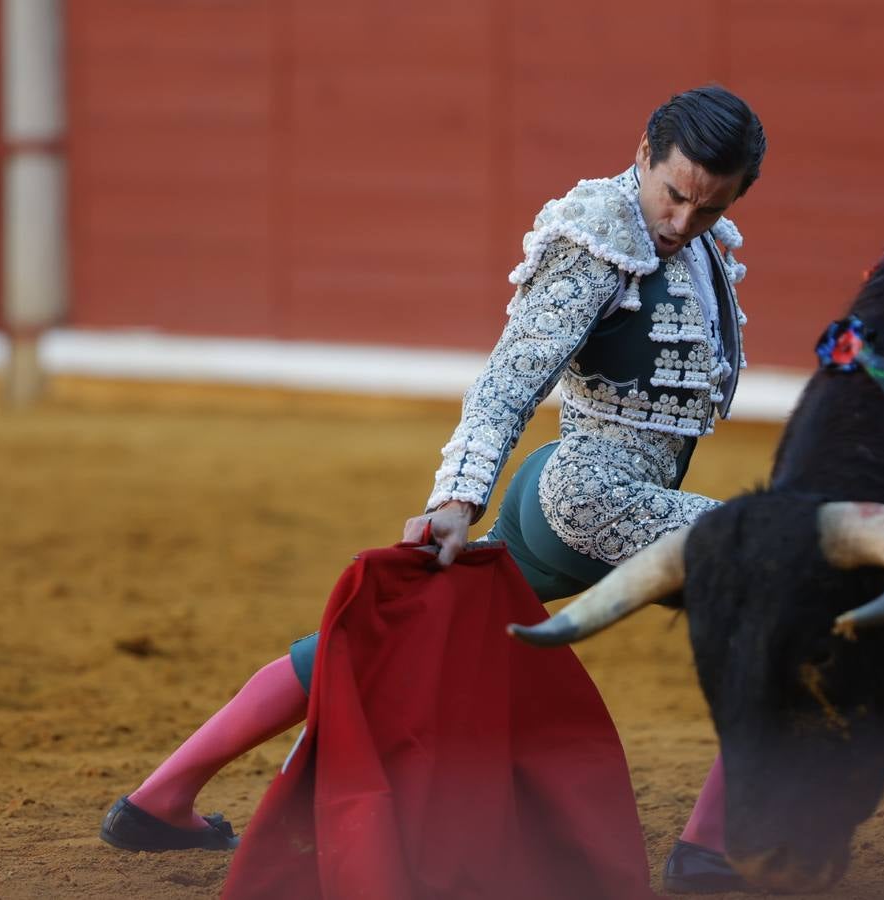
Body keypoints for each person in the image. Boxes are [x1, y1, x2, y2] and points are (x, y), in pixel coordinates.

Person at [100, 84, 767, 894]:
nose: (682, 222)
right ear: (641, 156)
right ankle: (706, 851)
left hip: (578, 496)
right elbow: (507, 383)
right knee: (779, 575)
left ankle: (161, 795)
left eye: (708, 207)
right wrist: (456, 496)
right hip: (587, 498)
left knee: (403, 632)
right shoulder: (598, 239)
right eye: (674, 196)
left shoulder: (694, 241)